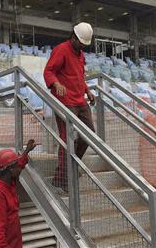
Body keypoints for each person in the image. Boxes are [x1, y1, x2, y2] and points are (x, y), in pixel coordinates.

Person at [43, 22, 96, 192]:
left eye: (84, 44)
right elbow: (48, 71)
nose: (82, 46)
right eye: (80, 43)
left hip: (80, 100)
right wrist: (56, 84)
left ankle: (71, 166)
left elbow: (79, 76)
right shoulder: (61, 49)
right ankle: (61, 178)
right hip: (65, 101)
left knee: (89, 135)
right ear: (73, 37)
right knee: (68, 138)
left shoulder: (80, 55)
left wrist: (87, 91)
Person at [0, 139, 37, 248]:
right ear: (11, 170)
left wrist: (27, 151)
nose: (20, 169)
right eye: (17, 167)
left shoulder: (8, 183)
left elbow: (19, 164)